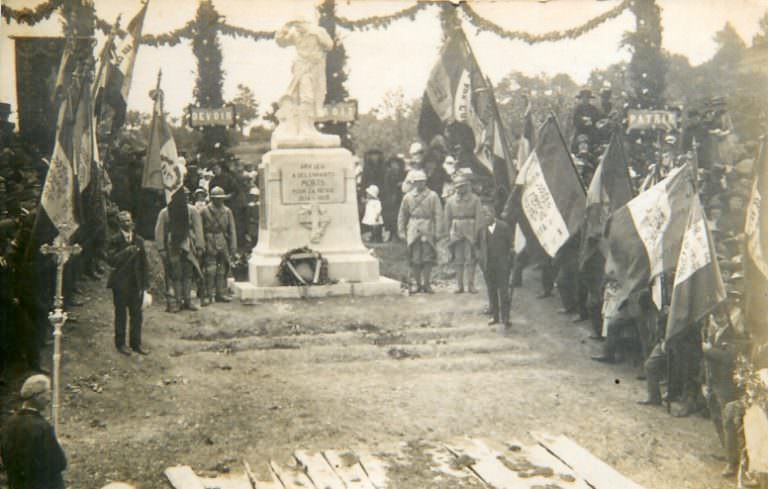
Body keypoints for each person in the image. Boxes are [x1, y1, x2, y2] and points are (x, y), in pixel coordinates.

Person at [0, 374, 67, 489]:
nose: (50, 399)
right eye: (48, 394)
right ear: (37, 396)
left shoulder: (9, 424)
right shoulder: (41, 427)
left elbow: (5, 458)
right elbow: (59, 463)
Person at [107, 211, 150, 355]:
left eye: (129, 220)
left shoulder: (139, 240)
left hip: (135, 283)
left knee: (137, 315)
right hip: (120, 283)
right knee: (121, 314)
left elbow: (144, 264)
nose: (127, 223)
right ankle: (120, 344)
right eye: (124, 221)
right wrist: (126, 251)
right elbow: (111, 260)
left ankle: (136, 344)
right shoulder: (114, 240)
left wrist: (145, 285)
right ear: (119, 224)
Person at [155, 192, 204, 312]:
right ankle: (177, 301)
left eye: (186, 196)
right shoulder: (165, 212)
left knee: (188, 273)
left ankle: (187, 300)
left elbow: (198, 229)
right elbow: (159, 231)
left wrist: (199, 246)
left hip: (189, 246)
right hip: (173, 247)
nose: (184, 199)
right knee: (176, 274)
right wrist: (161, 248)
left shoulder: (192, 211)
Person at [397, 170, 443, 294]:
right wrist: (401, 231)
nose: (419, 184)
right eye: (417, 182)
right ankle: (417, 284)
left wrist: (438, 231)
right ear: (413, 183)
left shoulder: (433, 196)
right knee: (415, 259)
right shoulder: (408, 197)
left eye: (422, 181)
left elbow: (438, 214)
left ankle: (427, 284)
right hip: (413, 228)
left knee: (428, 258)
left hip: (428, 227)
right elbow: (402, 215)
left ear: (425, 181)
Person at [476, 205, 514, 328]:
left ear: (493, 213)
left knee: (504, 292)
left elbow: (511, 245)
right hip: (488, 265)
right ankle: (495, 316)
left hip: (502, 265)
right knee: (492, 291)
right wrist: (481, 259)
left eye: (487, 214)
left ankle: (506, 317)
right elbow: (476, 246)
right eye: (482, 215)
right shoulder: (481, 229)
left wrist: (508, 261)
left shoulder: (504, 227)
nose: (485, 217)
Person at [444, 173, 482, 294]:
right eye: (458, 186)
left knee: (470, 258)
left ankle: (471, 285)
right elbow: (447, 218)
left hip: (470, 229)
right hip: (456, 230)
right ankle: (459, 285)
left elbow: (479, 217)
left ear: (468, 186)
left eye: (463, 186)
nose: (460, 189)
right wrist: (447, 234)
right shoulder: (450, 201)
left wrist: (477, 233)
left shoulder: (475, 199)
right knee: (458, 259)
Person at [200, 186, 237, 303]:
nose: (219, 200)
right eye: (216, 198)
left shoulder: (227, 211)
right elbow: (200, 229)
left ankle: (220, 293)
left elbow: (232, 229)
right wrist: (201, 244)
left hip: (222, 240)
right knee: (210, 269)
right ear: (211, 198)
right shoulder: (204, 211)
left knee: (222, 268)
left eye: (221, 198)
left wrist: (233, 246)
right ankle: (209, 294)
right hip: (209, 240)